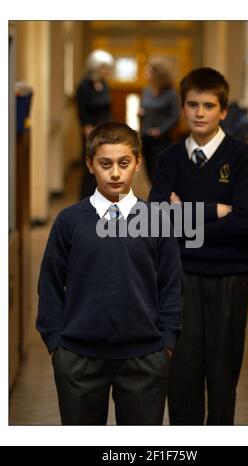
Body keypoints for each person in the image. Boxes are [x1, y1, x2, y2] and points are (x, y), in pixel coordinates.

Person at [36, 121, 182, 425]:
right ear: (90, 164)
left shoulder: (157, 220)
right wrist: (56, 345)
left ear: (138, 162)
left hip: (145, 357)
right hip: (78, 358)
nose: (115, 173)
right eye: (105, 164)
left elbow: (171, 284)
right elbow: (49, 283)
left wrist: (165, 343)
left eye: (123, 163)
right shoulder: (69, 221)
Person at [149, 67, 248, 425]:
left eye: (209, 105)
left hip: (230, 280)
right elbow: (156, 220)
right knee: (181, 380)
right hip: (179, 281)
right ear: (182, 108)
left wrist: (186, 217)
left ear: (224, 111)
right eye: (193, 104)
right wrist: (216, 211)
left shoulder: (241, 157)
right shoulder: (168, 159)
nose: (200, 112)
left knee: (223, 379)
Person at [76, 49, 114, 199]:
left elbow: (108, 108)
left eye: (108, 68)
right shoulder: (84, 86)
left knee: (105, 164)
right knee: (91, 166)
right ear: (95, 67)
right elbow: (82, 111)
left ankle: (101, 196)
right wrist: (87, 129)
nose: (107, 71)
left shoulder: (104, 84)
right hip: (91, 131)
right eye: (104, 68)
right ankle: (85, 199)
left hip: (105, 130)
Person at [138, 57, 179, 182]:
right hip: (146, 137)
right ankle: (156, 197)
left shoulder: (171, 93)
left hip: (162, 140)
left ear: (157, 74)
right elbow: (143, 108)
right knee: (149, 172)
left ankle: (162, 199)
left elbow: (175, 116)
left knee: (160, 172)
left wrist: (161, 130)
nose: (145, 74)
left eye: (148, 71)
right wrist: (141, 113)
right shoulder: (146, 90)